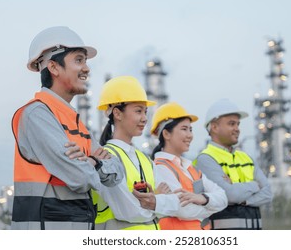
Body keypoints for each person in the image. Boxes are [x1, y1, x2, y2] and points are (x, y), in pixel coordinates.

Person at [11, 26, 123, 230]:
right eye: (79, 60)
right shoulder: (37, 115)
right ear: (54, 67)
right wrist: (97, 163)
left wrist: (90, 161)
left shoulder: (74, 121)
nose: (87, 68)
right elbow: (80, 177)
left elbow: (117, 172)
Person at [93, 75, 180, 230]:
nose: (145, 118)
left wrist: (154, 202)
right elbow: (128, 211)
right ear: (117, 113)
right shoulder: (105, 158)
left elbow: (174, 204)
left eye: (145, 112)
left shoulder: (144, 159)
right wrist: (159, 200)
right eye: (138, 111)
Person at [193, 98, 273, 230]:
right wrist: (254, 185)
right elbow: (229, 195)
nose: (237, 129)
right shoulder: (206, 159)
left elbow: (268, 194)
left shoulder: (246, 157)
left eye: (238, 124)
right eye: (231, 124)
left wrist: (244, 200)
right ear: (214, 127)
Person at [150, 102, 228, 230]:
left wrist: (202, 198)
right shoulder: (160, 167)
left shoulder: (191, 168)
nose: (190, 135)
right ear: (166, 134)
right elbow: (184, 210)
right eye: (184, 129)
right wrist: (211, 207)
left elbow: (223, 197)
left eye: (190, 129)